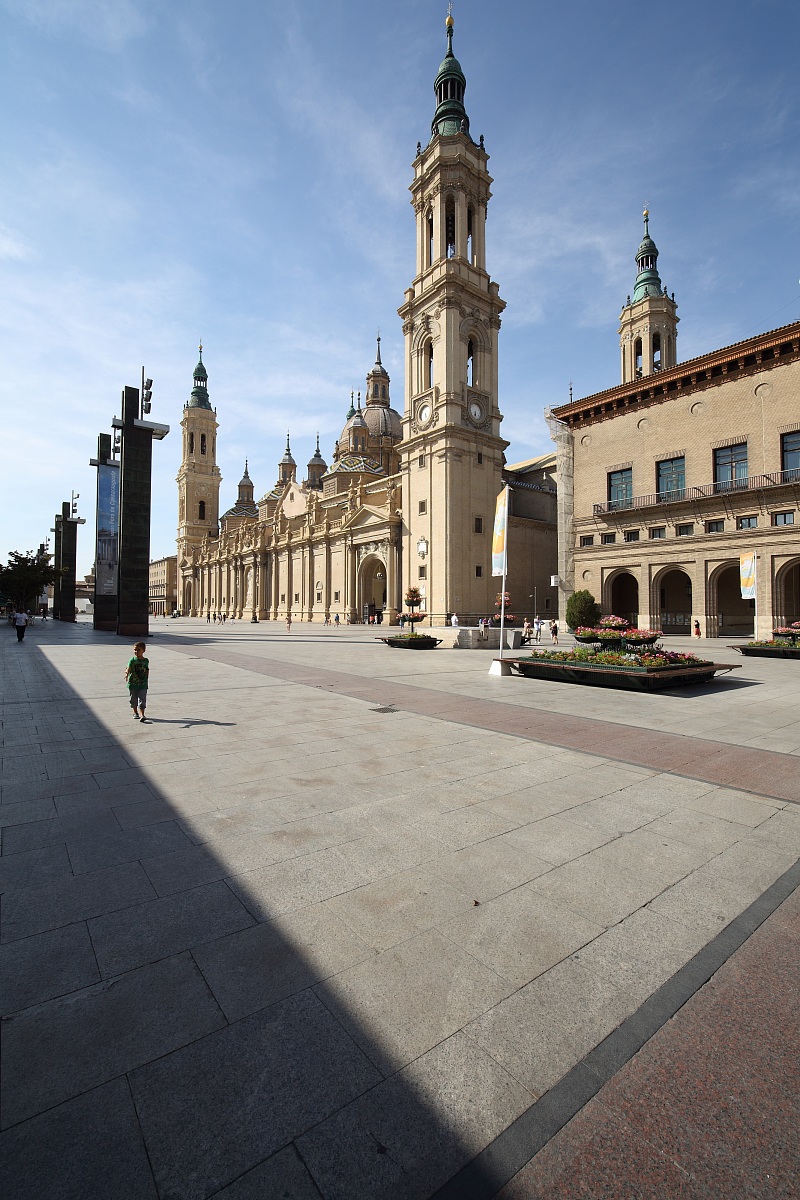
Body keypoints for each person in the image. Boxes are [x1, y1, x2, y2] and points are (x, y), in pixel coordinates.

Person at [125, 641, 149, 722]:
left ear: (143, 650)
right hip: (133, 683)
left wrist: (147, 677)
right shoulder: (132, 660)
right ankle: (135, 712)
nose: (136, 652)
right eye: (135, 650)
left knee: (143, 699)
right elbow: (128, 667)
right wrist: (126, 673)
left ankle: (142, 714)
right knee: (133, 699)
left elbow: (147, 669)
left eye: (138, 650)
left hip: (143, 684)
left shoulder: (146, 660)